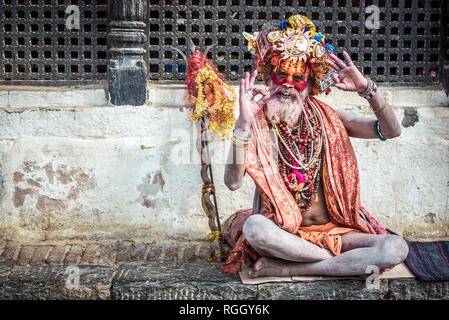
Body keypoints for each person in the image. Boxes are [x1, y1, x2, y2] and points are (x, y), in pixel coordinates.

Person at [222, 14, 409, 278]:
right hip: (285, 233)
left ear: (309, 85)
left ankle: (291, 268)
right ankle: (340, 264)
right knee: (254, 228)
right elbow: (232, 183)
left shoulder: (329, 119)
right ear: (269, 78)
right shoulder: (257, 123)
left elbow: (391, 130)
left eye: (297, 77)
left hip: (336, 230)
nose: (287, 84)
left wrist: (367, 88)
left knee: (396, 248)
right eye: (281, 75)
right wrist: (242, 123)